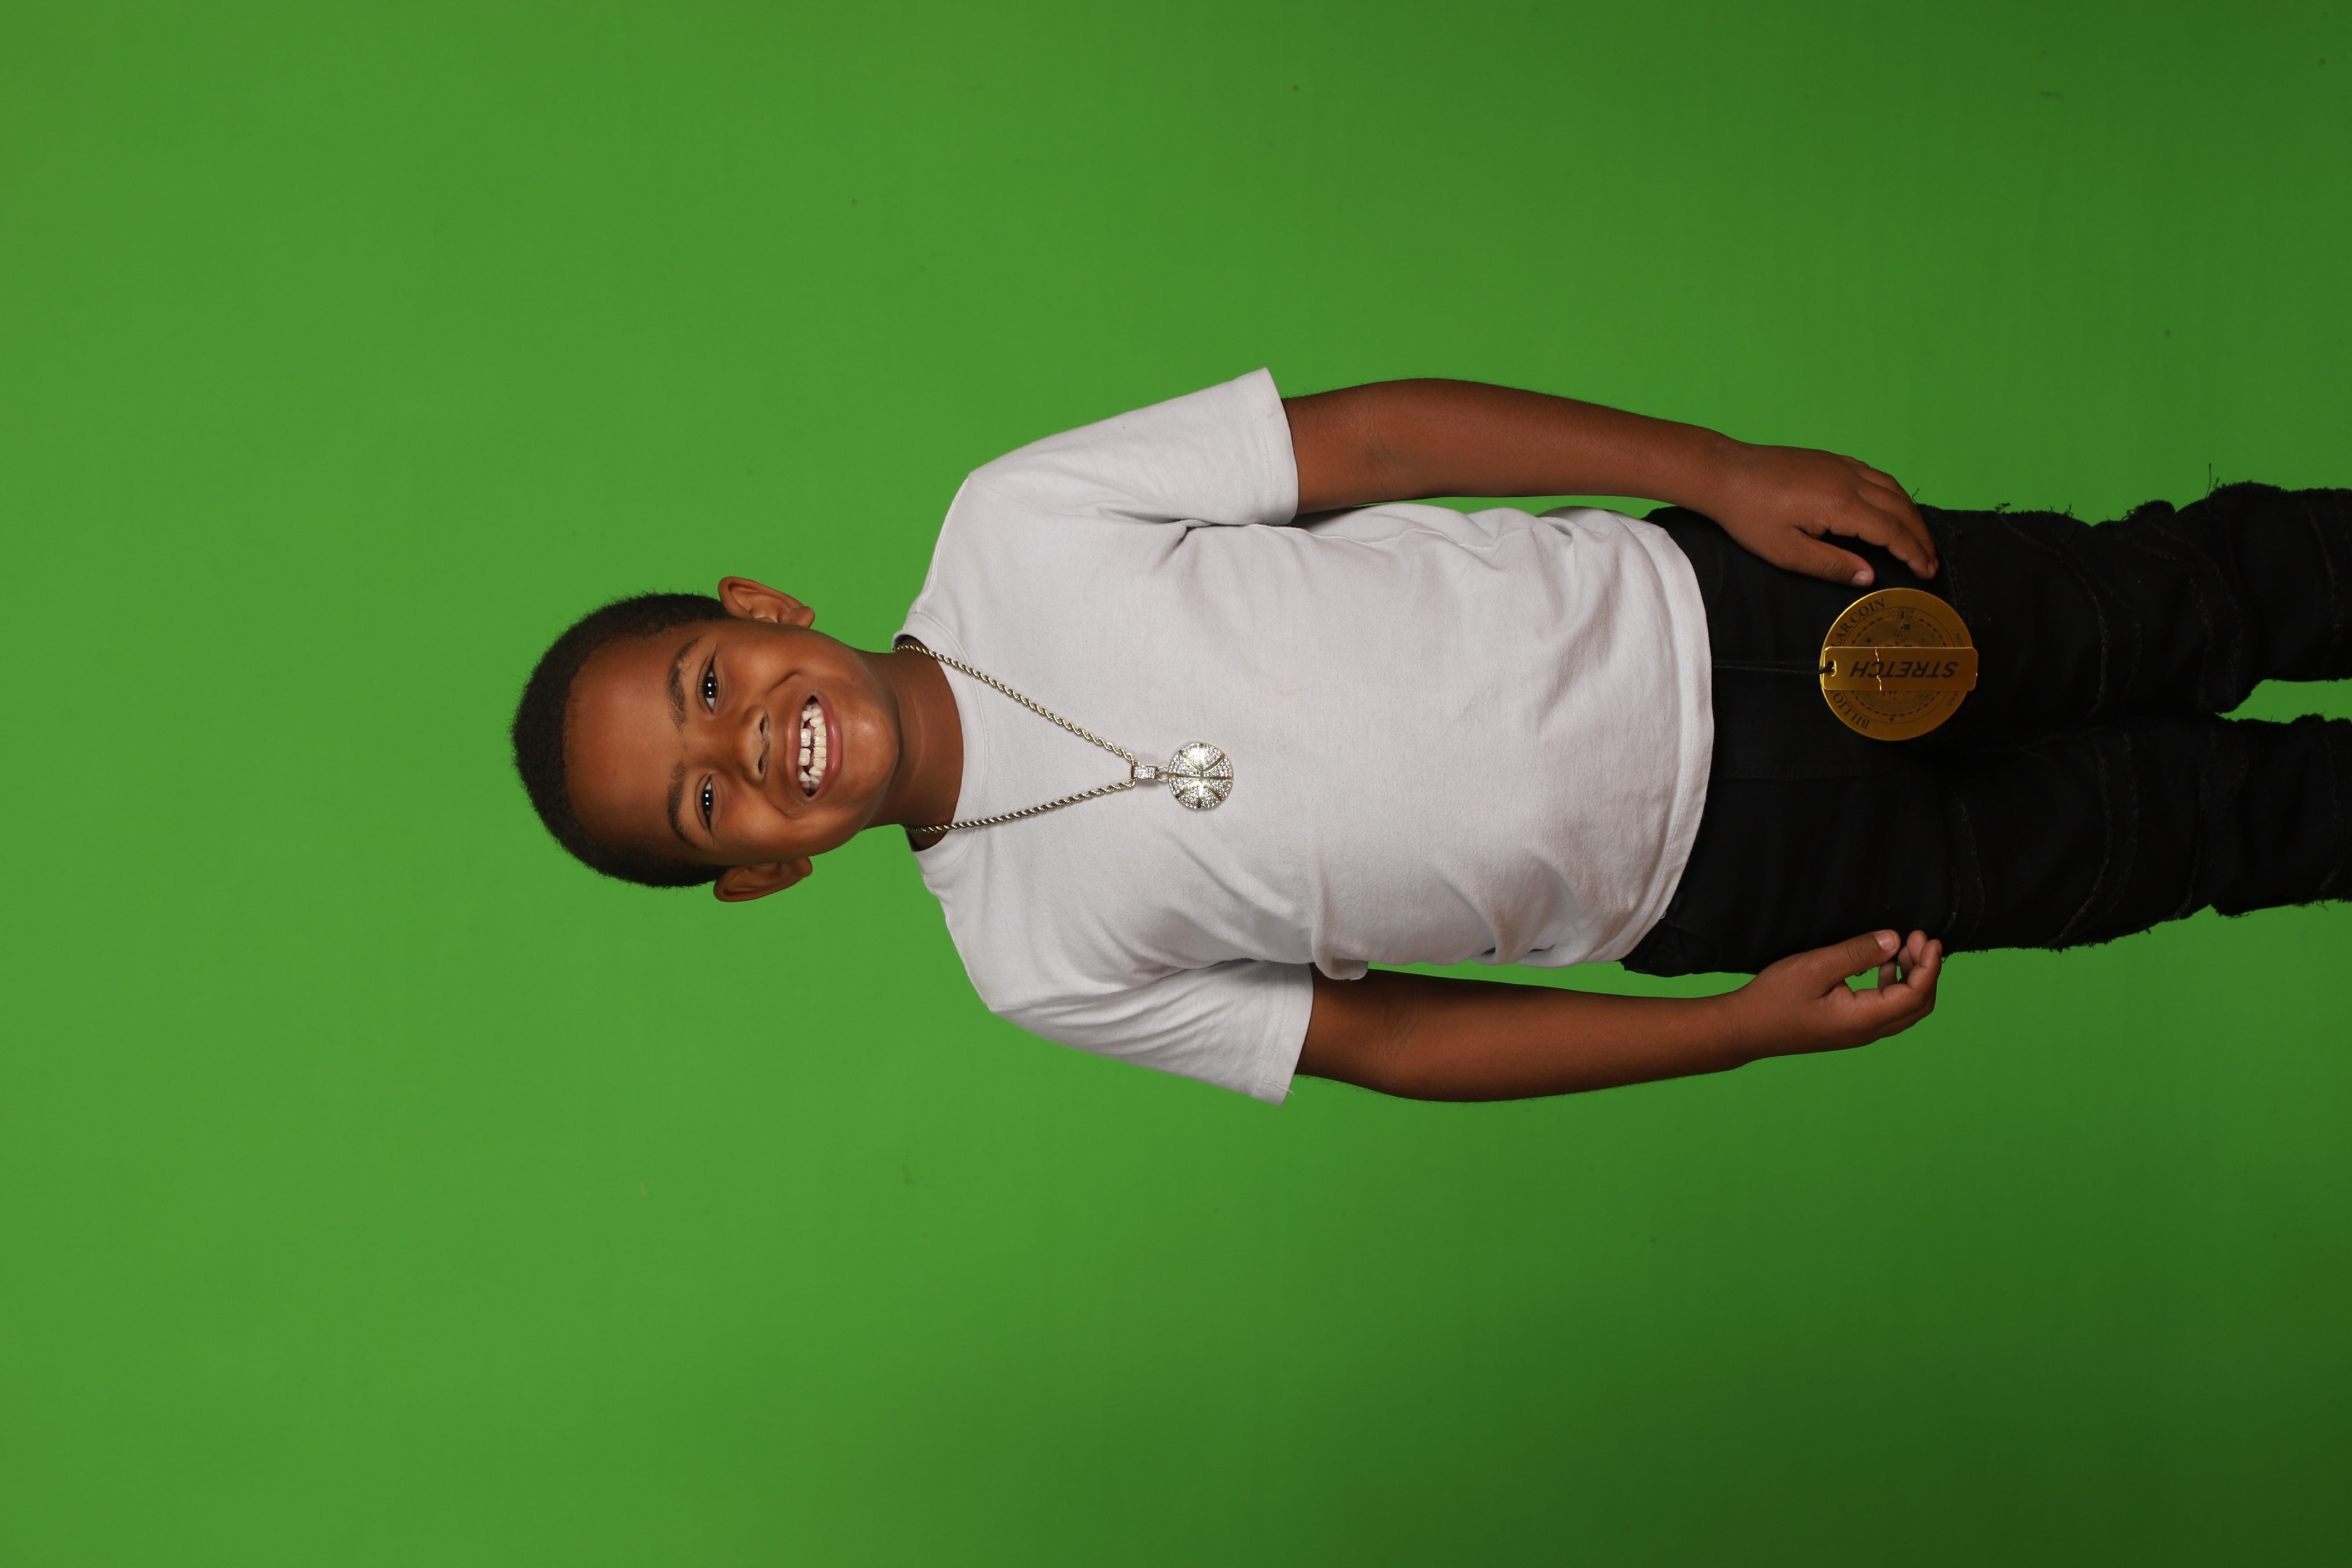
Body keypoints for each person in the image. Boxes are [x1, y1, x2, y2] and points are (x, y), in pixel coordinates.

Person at [510, 372, 2352, 1104]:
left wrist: (1715, 470)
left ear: (757, 610)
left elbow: (1376, 442)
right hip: (1737, 880)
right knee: (2190, 834)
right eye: (705, 805)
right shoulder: (1031, 962)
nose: (750, 749)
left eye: (705, 688)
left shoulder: (1016, 524)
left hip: (1735, 608)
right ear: (755, 876)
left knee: (2185, 601)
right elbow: (1385, 1038)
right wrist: (1726, 1030)